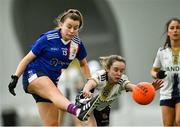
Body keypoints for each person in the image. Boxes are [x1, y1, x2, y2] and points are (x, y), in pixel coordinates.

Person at [8, 8, 98, 126]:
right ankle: (79, 111)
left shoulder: (77, 44)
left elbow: (84, 64)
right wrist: (15, 77)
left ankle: (77, 111)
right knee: (56, 94)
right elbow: (27, 58)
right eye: (69, 26)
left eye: (76, 28)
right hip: (34, 74)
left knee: (53, 124)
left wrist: (89, 82)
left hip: (51, 83)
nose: (72, 31)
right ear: (61, 24)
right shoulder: (47, 39)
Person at [76, 55, 163, 126]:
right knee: (92, 124)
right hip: (87, 99)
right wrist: (86, 90)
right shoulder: (101, 75)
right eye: (115, 70)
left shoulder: (122, 81)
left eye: (121, 71)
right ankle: (83, 110)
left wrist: (149, 89)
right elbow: (90, 82)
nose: (119, 73)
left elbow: (135, 88)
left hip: (103, 106)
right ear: (107, 69)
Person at [150, 18, 180, 126]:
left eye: (178, 28)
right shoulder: (162, 51)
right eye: (172, 28)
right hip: (166, 93)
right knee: (167, 125)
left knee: (179, 121)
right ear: (168, 32)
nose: (175, 30)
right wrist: (157, 74)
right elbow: (153, 71)